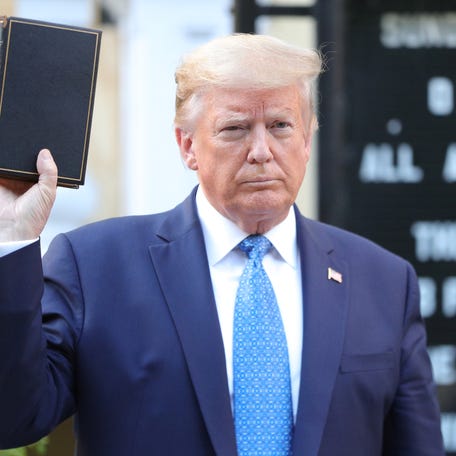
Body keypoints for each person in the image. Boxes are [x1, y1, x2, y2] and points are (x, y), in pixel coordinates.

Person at [0, 33, 444, 456]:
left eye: (280, 126)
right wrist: (13, 239)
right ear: (187, 145)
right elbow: (13, 416)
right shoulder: (95, 265)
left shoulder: (384, 281)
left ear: (307, 140)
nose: (261, 150)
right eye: (235, 128)